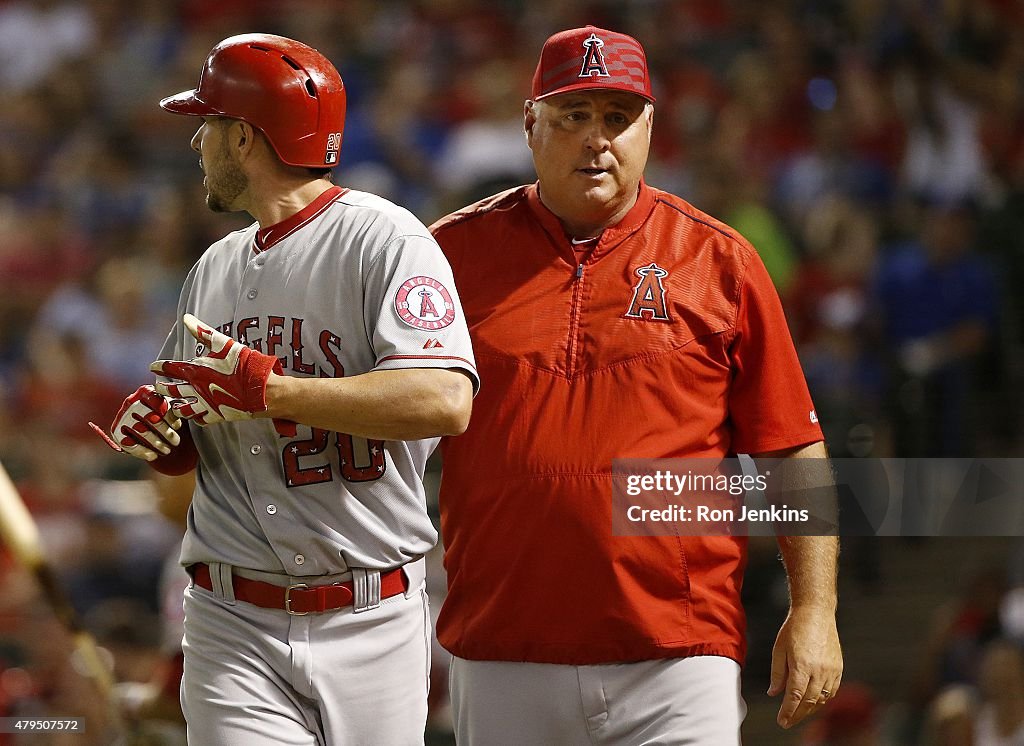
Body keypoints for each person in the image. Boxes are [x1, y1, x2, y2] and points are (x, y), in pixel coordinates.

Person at [430, 25, 841, 744]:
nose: (598, 139)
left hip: (677, 653)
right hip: (501, 647)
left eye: (618, 118)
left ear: (650, 129)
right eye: (574, 116)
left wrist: (814, 610)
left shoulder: (718, 261)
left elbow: (791, 447)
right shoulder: (448, 255)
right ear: (530, 125)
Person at [93, 33, 477, 745]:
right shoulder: (212, 267)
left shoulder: (385, 239)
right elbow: (196, 432)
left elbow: (444, 401)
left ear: (243, 137)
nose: (196, 145)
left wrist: (276, 393)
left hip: (371, 613)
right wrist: (168, 437)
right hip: (231, 616)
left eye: (206, 126)